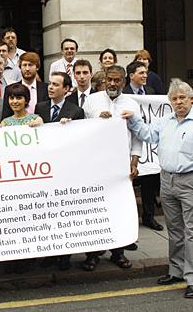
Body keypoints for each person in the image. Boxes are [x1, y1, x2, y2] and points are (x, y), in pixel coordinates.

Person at [122, 78, 193, 299]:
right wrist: (133, 119)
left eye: (183, 98)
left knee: (191, 232)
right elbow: (147, 135)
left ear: (191, 99)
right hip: (167, 180)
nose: (179, 102)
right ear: (170, 101)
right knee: (175, 230)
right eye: (175, 98)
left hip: (189, 180)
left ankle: (192, 278)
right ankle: (176, 271)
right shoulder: (165, 121)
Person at [82, 65, 143, 270]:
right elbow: (81, 131)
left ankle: (118, 253)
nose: (113, 84)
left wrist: (134, 161)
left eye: (117, 80)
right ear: (104, 80)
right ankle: (92, 255)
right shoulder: (92, 101)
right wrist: (98, 121)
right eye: (110, 80)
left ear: (124, 82)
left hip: (121, 166)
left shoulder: (132, 103)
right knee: (95, 209)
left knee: (119, 209)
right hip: (95, 164)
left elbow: (137, 136)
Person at [34, 72, 84, 271]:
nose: (51, 87)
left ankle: (65, 256)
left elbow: (79, 139)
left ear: (66, 89)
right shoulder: (41, 107)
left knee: (64, 215)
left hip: (66, 170)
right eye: (50, 84)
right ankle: (50, 254)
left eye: (56, 84)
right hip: (46, 169)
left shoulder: (76, 111)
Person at [124, 61, 162, 231]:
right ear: (131, 76)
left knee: (149, 182)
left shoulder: (151, 93)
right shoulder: (123, 94)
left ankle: (149, 216)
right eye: (141, 73)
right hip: (128, 143)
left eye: (146, 73)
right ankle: (129, 221)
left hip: (147, 145)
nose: (145, 76)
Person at [2, 52, 48, 120]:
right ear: (20, 67)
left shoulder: (46, 88)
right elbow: (6, 115)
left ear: (37, 67)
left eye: (30, 65)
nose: (27, 69)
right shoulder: (9, 89)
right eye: (24, 65)